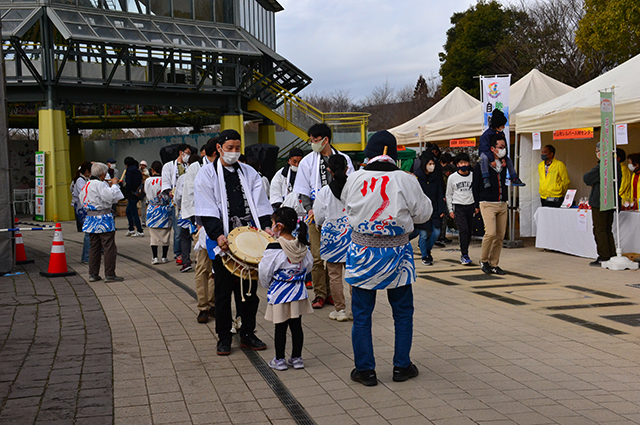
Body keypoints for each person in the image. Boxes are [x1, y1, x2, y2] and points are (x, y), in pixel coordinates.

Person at [341, 130, 432, 386]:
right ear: (392, 154)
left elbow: (345, 207)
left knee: (362, 314)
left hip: (362, 254)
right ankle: (401, 366)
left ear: (369, 153)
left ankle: (365, 370)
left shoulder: (355, 178)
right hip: (397, 255)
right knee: (402, 312)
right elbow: (424, 214)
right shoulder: (406, 179)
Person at [194, 129, 273, 355]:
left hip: (248, 237)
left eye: (237, 148)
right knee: (222, 291)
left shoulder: (249, 172)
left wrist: (266, 226)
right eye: (230, 148)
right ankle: (224, 336)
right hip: (223, 240)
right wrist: (218, 234)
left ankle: (247, 332)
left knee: (248, 289)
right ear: (219, 148)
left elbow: (260, 203)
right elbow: (207, 208)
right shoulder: (207, 174)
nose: (234, 152)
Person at [293, 123, 354, 309]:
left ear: (325, 140)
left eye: (315, 141)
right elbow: (302, 190)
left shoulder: (343, 159)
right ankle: (321, 294)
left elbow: (351, 186)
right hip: (315, 214)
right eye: (311, 141)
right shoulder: (307, 161)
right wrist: (310, 209)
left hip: (340, 216)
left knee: (339, 258)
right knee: (318, 257)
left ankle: (336, 296)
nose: (312, 144)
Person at [259, 207, 313, 371]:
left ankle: (279, 360)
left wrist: (268, 285)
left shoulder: (274, 248)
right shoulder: (301, 245)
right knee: (296, 326)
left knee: (280, 326)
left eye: (273, 223)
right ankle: (297, 358)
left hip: (280, 291)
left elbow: (264, 271)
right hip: (298, 291)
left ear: (279, 226)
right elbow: (309, 265)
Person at [314, 155, 352, 322]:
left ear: (329, 169)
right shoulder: (354, 188)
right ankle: (357, 310)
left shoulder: (325, 191)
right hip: (352, 234)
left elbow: (319, 217)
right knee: (352, 274)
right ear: (346, 168)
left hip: (332, 236)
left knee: (335, 275)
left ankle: (340, 310)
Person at [81, 162, 124, 283]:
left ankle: (93, 273)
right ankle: (109, 274)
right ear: (102, 174)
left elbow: (81, 199)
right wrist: (114, 185)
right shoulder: (100, 185)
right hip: (103, 217)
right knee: (109, 246)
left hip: (90, 217)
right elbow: (110, 197)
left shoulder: (86, 184)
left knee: (94, 247)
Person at [472, 133, 509, 275]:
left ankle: (494, 263)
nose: (503, 149)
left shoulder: (504, 164)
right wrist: (476, 205)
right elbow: (475, 185)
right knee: (491, 232)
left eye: (504, 147)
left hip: (502, 202)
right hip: (487, 202)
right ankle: (484, 260)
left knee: (500, 235)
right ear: (492, 148)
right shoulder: (482, 164)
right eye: (500, 147)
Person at [584, 142, 622, 266]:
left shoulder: (604, 164)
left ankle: (603, 256)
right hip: (611, 200)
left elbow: (587, 178)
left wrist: (594, 181)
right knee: (607, 229)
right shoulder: (616, 164)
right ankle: (611, 254)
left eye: (597, 150)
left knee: (600, 230)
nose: (596, 153)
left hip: (600, 201)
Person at [192, 140, 218, 324]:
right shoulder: (196, 169)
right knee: (203, 268)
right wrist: (198, 223)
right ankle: (203, 306)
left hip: (223, 228)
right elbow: (188, 196)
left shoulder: (230, 169)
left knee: (218, 270)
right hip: (203, 227)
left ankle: (214, 303)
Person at [412, 151, 446, 266]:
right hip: (422, 212)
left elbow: (439, 194)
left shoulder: (435, 178)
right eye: (429, 163)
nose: (432, 166)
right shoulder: (417, 178)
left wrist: (442, 209)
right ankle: (425, 255)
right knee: (423, 234)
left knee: (436, 232)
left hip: (435, 209)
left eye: (433, 163)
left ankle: (427, 250)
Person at [162, 143, 193, 264]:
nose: (188, 156)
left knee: (187, 230)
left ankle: (186, 254)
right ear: (181, 152)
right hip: (176, 202)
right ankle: (178, 253)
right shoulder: (169, 166)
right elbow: (165, 182)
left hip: (188, 202)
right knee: (178, 230)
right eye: (187, 153)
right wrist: (170, 192)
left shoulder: (189, 166)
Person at [478, 109, 525, 188]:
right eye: (502, 125)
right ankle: (485, 177)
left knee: (508, 160)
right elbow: (485, 148)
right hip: (487, 153)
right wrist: (492, 159)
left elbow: (505, 145)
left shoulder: (501, 133)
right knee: (484, 158)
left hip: (497, 153)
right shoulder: (486, 135)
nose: (503, 127)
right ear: (497, 125)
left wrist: (503, 157)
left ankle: (514, 177)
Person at [446, 152, 476, 265]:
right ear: (457, 164)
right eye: (461, 162)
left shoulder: (473, 176)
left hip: (471, 205)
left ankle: (465, 251)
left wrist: (477, 206)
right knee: (463, 230)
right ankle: (464, 254)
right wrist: (450, 210)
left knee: (469, 231)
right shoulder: (452, 178)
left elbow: (476, 192)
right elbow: (449, 194)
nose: (464, 164)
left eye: (466, 162)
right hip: (458, 206)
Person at [174, 153, 200, 273]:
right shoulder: (203, 173)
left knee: (184, 237)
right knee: (198, 237)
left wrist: (180, 206)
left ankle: (186, 262)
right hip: (199, 211)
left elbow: (178, 196)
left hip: (185, 211)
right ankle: (199, 260)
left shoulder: (183, 178)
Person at [145, 161, 172, 264]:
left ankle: (155, 257)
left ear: (152, 170)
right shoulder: (165, 180)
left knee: (153, 234)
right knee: (166, 234)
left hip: (153, 209)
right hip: (165, 209)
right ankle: (164, 257)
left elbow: (146, 192)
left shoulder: (148, 181)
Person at [72, 161, 92, 264]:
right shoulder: (80, 180)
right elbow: (85, 192)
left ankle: (87, 256)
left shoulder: (83, 179)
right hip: (82, 209)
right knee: (88, 233)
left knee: (89, 233)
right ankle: (86, 257)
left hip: (83, 208)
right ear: (87, 171)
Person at [123, 157, 144, 237]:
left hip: (131, 194)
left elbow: (128, 183)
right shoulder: (137, 171)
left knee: (134, 212)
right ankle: (131, 228)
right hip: (137, 193)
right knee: (128, 211)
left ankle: (139, 230)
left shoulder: (129, 171)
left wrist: (126, 192)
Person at [140, 160, 150, 227]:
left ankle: (143, 221)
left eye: (143, 165)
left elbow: (147, 174)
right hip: (139, 189)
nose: (142, 166)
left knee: (143, 206)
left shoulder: (146, 172)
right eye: (141, 165)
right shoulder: (138, 171)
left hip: (144, 190)